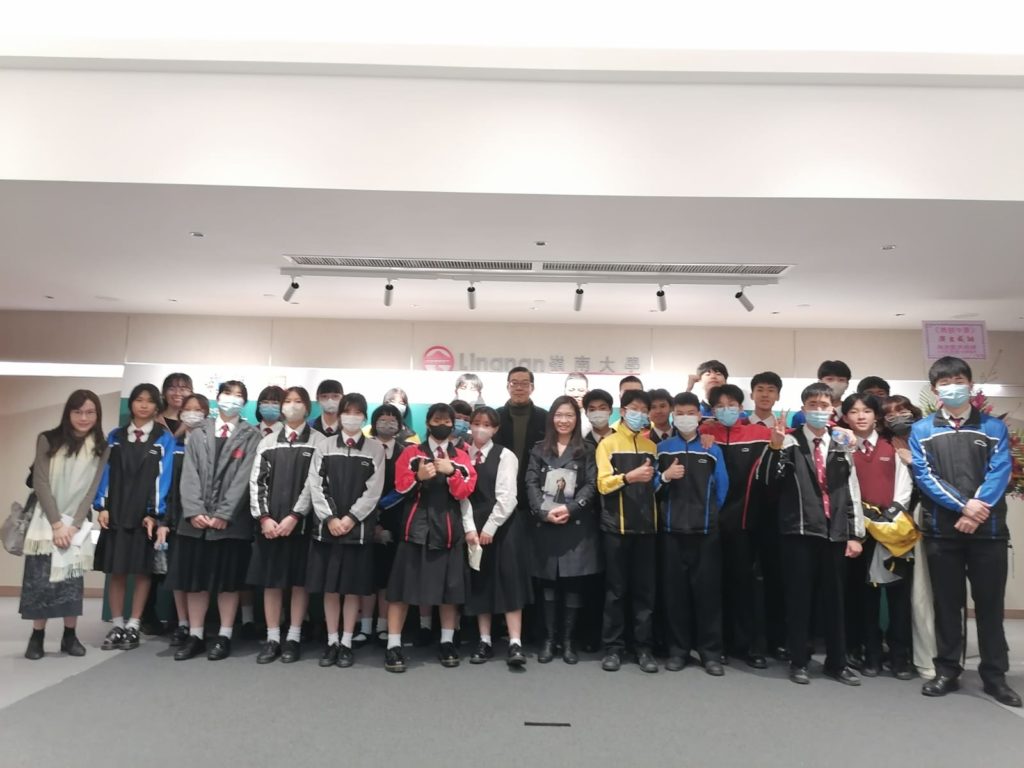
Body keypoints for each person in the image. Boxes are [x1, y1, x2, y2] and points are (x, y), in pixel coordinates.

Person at [909, 356, 1020, 706]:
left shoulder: (992, 427)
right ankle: (947, 670)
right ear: (934, 390)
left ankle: (995, 676)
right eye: (945, 383)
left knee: (990, 607)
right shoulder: (922, 430)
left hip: (988, 532)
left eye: (959, 381)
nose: (953, 387)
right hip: (942, 533)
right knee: (947, 605)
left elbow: (1000, 471)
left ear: (970, 385)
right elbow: (925, 476)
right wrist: (963, 506)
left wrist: (976, 509)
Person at [756, 382, 864, 686]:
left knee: (835, 601)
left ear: (832, 410)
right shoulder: (788, 441)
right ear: (803, 409)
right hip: (799, 531)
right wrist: (774, 446)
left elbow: (852, 489)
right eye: (813, 405)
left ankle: (837, 662)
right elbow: (766, 482)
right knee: (798, 599)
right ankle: (799, 660)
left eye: (824, 405)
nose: (818, 410)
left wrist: (855, 534)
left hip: (835, 532)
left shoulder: (841, 442)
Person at [168, 380, 261, 661]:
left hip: (231, 524)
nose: (232, 399)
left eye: (238, 396)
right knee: (195, 582)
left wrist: (224, 514)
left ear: (244, 403)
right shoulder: (198, 432)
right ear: (217, 398)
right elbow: (189, 474)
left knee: (228, 582)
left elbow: (244, 478)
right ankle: (196, 635)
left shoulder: (252, 435)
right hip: (194, 524)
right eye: (227, 394)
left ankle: (224, 634)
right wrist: (194, 510)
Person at [384, 403, 477, 672]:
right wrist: (418, 476)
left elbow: (465, 491)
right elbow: (400, 487)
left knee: (449, 591)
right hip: (415, 529)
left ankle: (447, 642)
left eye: (447, 421)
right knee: (401, 591)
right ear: (427, 423)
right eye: (437, 420)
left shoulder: (461, 456)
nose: (443, 425)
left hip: (448, 530)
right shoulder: (411, 452)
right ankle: (393, 645)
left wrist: (451, 472)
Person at [20, 390, 109, 660]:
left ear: (97, 415)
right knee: (41, 582)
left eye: (90, 412)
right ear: (68, 413)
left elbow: (93, 488)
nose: (84, 417)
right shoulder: (48, 439)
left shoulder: (102, 447)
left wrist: (74, 525)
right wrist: (57, 524)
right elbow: (41, 482)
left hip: (77, 526)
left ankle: (70, 636)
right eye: (77, 411)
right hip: (45, 521)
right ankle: (37, 637)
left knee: (72, 581)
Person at [93, 383, 177, 651]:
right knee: (116, 571)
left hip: (145, 517)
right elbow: (104, 472)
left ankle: (134, 624)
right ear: (131, 404)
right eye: (139, 400)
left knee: (143, 572)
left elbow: (164, 478)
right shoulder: (115, 436)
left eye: (149, 401)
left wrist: (155, 513)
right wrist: (102, 506)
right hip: (116, 511)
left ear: (157, 406)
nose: (143, 405)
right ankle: (118, 623)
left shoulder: (164, 438)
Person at [306, 393, 385, 668]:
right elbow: (316, 485)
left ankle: (347, 641)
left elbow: (373, 491)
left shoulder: (375, 449)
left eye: (357, 412)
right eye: (347, 412)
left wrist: (351, 518)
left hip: (357, 531)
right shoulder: (324, 446)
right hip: (327, 530)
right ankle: (332, 641)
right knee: (330, 589)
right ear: (339, 415)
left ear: (364, 416)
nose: (352, 417)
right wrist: (330, 518)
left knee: (352, 590)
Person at [841, 392, 914, 679]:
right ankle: (871, 655)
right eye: (854, 411)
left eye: (867, 411)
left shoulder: (892, 445)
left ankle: (900, 658)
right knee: (865, 597)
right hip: (860, 533)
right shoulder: (843, 449)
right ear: (845, 417)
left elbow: (904, 486)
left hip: (894, 530)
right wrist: (862, 523)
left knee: (899, 596)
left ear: (876, 416)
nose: (861, 416)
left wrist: (890, 515)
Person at [655, 392, 729, 674]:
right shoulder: (663, 449)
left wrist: (708, 515)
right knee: (675, 596)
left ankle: (710, 653)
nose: (685, 418)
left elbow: (722, 488)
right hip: (671, 532)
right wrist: (665, 477)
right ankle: (678, 651)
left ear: (699, 415)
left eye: (690, 413)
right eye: (680, 413)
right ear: (673, 415)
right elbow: (652, 486)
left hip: (706, 533)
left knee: (708, 595)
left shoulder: (712, 448)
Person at [700, 384, 772, 668]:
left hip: (745, 524)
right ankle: (715, 646)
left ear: (742, 407)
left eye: (732, 404)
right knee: (712, 587)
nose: (726, 409)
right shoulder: (704, 435)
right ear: (712, 410)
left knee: (745, 586)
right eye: (720, 405)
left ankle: (748, 646)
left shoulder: (760, 435)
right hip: (710, 525)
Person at [525, 396, 599, 664]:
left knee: (572, 585)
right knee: (548, 584)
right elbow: (531, 482)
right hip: (546, 523)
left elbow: (592, 485)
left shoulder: (587, 449)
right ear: (551, 418)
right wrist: (542, 512)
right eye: (559, 415)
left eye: (569, 415)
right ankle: (548, 640)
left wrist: (571, 509)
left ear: (577, 419)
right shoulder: (539, 449)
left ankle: (568, 642)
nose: (564, 420)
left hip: (575, 524)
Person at [248, 386, 318, 665]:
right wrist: (264, 518)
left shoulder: (319, 441)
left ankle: (294, 636)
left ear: (307, 407)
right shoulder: (267, 442)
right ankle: (273, 637)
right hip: (270, 527)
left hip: (302, 526)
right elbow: (257, 482)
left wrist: (295, 515)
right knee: (272, 583)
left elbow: (315, 484)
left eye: (298, 401)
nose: (292, 406)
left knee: (299, 583)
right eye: (287, 401)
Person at [595, 389, 659, 673]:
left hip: (646, 528)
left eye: (644, 411)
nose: (639, 415)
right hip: (615, 527)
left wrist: (664, 478)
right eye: (634, 409)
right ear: (622, 411)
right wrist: (628, 477)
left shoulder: (651, 447)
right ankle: (613, 648)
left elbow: (655, 486)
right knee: (616, 591)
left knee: (645, 592)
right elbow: (602, 484)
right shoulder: (607, 444)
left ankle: (643, 648)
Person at [464, 407, 532, 668]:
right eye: (476, 423)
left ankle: (515, 642)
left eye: (487, 424)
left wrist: (490, 528)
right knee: (480, 581)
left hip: (503, 527)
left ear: (495, 429)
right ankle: (485, 641)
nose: (480, 428)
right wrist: (470, 527)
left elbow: (508, 497)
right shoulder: (462, 455)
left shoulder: (505, 455)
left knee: (509, 581)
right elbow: (461, 496)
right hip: (473, 527)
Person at [881, 395, 936, 679]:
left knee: (924, 593)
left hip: (927, 522)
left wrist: (913, 462)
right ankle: (899, 653)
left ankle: (928, 655)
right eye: (890, 415)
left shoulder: (928, 438)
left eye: (902, 411)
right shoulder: (885, 444)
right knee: (900, 591)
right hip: (893, 526)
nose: (898, 418)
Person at [159, 393, 209, 648]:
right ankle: (182, 622)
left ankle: (200, 626)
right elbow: (165, 484)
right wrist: (165, 520)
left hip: (204, 518)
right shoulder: (173, 444)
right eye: (188, 409)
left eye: (199, 409)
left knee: (200, 574)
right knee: (179, 575)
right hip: (177, 517)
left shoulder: (210, 443)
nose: (193, 413)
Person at [360, 403, 412, 645]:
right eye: (382, 417)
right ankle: (364, 627)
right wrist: (371, 517)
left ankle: (383, 626)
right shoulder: (363, 448)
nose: (388, 422)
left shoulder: (405, 452)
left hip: (395, 521)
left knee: (387, 577)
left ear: (400, 425)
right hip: (362, 518)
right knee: (366, 576)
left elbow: (405, 487)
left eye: (393, 418)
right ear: (373, 422)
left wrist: (382, 511)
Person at [745, 371, 786, 656]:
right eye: (760, 389)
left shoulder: (788, 432)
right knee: (745, 580)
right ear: (752, 394)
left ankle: (776, 639)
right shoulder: (737, 428)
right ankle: (749, 641)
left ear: (778, 396)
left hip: (777, 517)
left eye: (771, 390)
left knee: (776, 578)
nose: (765, 394)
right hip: (743, 516)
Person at [494, 367, 547, 509]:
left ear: (532, 387)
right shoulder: (495, 417)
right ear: (507, 386)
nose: (519, 388)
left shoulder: (545, 418)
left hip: (535, 489)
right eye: (514, 383)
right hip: (499, 487)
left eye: (524, 383)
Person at [791, 360, 852, 428]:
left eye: (841, 380)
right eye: (830, 379)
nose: (835, 383)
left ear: (847, 384)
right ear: (820, 382)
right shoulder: (801, 416)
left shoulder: (853, 413)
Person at [157, 372, 193, 439]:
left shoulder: (196, 421)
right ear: (164, 393)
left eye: (182, 389)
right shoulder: (153, 420)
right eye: (172, 389)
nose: (177, 393)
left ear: (191, 393)